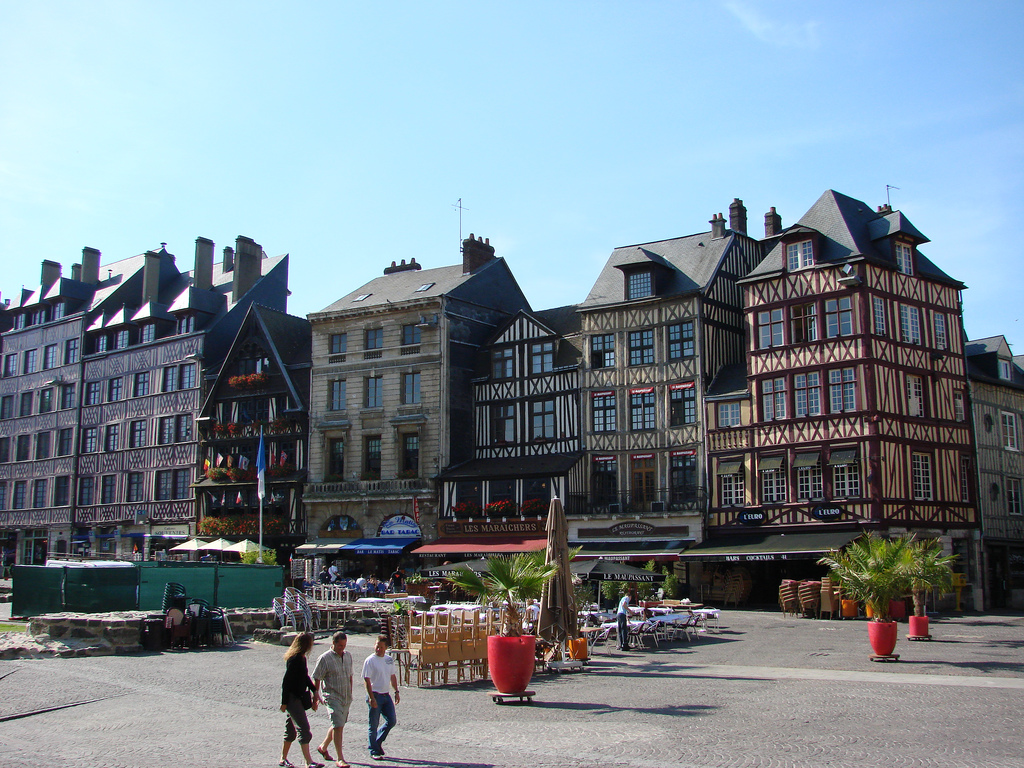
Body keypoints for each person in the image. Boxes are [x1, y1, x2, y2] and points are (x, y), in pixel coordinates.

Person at [279, 632, 324, 768]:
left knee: (291, 731)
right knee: (304, 729)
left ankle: (283, 759)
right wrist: (284, 702)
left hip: (297, 697)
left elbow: (305, 677)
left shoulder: (301, 658)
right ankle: (308, 762)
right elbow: (286, 682)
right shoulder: (295, 659)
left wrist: (314, 690)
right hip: (292, 699)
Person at [312, 631, 354, 768]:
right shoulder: (325, 658)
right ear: (334, 643)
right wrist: (316, 695)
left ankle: (323, 747)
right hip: (332, 696)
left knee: (339, 725)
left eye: (344, 645)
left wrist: (351, 693)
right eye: (340, 645)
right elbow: (317, 677)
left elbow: (350, 676)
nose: (342, 648)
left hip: (346, 697)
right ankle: (340, 758)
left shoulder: (348, 656)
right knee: (338, 725)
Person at [362, 634, 400, 761]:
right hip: (375, 694)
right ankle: (373, 750)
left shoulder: (389, 660)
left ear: (386, 648)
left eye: (381, 647)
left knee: (392, 720)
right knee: (373, 724)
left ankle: (377, 742)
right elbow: (366, 680)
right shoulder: (370, 660)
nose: (378, 649)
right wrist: (371, 697)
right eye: (377, 646)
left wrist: (396, 691)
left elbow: (392, 676)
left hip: (386, 695)